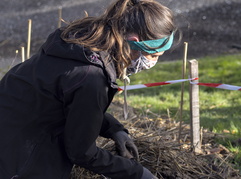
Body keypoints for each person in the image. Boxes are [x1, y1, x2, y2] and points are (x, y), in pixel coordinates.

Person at [0, 0, 176, 178]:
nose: (154, 62)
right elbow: (81, 152)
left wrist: (114, 129)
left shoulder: (79, 41)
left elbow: (69, 104)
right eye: (153, 55)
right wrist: (137, 173)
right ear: (134, 42)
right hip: (19, 161)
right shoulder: (91, 77)